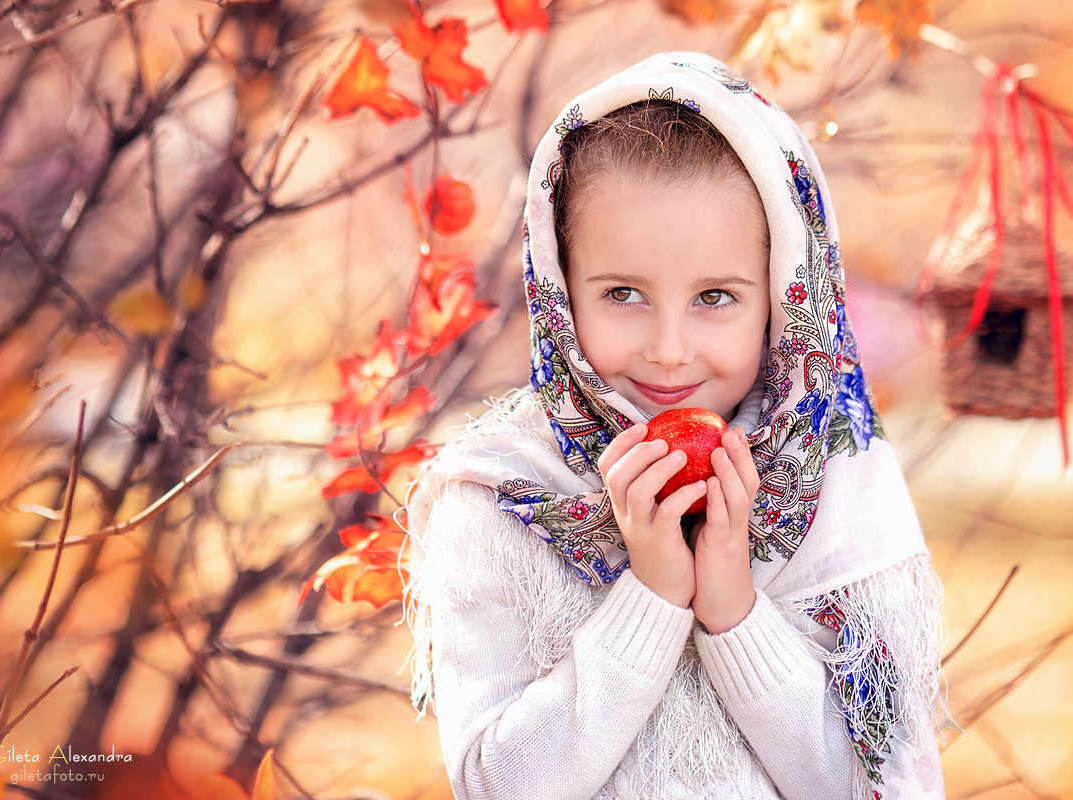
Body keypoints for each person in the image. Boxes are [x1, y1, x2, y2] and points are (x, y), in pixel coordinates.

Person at [405, 52, 947, 800]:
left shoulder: (834, 484)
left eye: (716, 296)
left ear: (785, 295)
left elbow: (882, 786)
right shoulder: (501, 497)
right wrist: (652, 599)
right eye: (623, 292)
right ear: (559, 287)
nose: (667, 349)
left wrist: (734, 612)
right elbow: (496, 786)